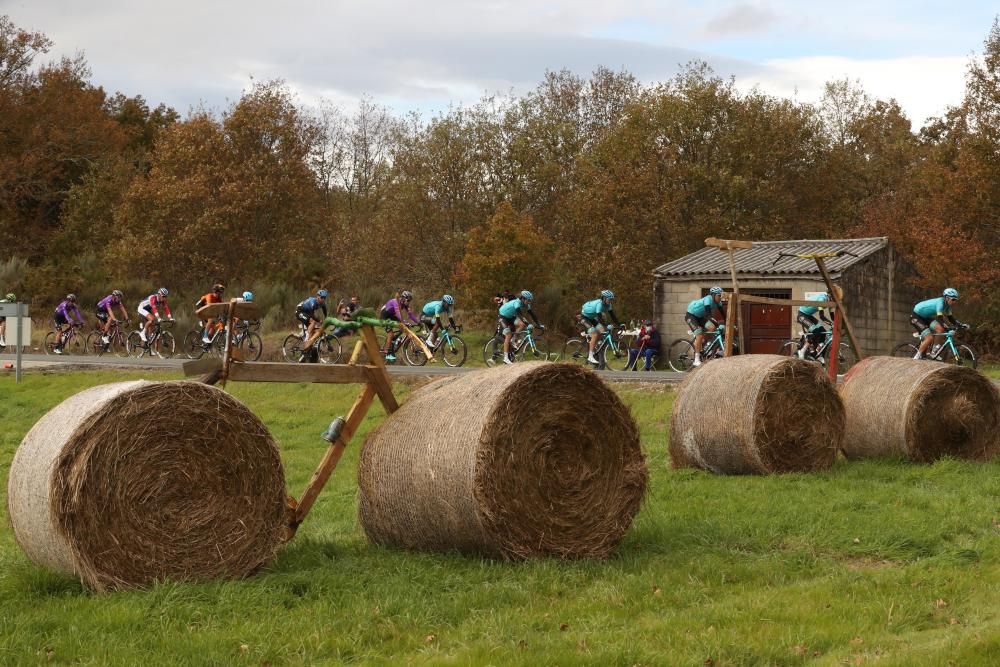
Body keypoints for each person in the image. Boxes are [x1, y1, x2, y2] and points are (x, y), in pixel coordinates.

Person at [911, 288, 965, 359]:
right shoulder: (940, 302)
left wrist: (960, 325)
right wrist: (947, 328)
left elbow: (951, 318)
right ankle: (916, 357)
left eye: (955, 300)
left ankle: (934, 352)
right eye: (953, 299)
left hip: (926, 317)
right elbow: (940, 318)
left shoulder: (948, 306)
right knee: (929, 337)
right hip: (916, 316)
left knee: (940, 329)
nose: (954, 302)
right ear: (947, 297)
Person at [498, 290, 543, 364]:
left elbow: (533, 315)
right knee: (508, 334)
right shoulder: (517, 303)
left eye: (530, 300)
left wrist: (539, 324)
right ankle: (505, 358)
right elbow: (520, 315)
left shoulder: (526, 304)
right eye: (528, 300)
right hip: (503, 316)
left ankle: (513, 340)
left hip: (511, 317)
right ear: (523, 299)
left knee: (521, 324)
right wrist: (528, 324)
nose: (529, 302)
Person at [685, 286, 726, 367]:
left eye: (721, 295)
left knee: (712, 328)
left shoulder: (719, 302)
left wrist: (729, 323)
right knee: (700, 335)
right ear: (713, 295)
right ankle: (696, 360)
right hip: (691, 315)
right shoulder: (708, 299)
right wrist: (718, 324)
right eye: (719, 295)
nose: (720, 297)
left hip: (700, 317)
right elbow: (709, 316)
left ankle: (702, 341)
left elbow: (724, 315)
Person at [796, 286, 840, 359]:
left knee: (823, 332)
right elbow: (822, 316)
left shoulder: (830, 302)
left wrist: (837, 323)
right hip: (802, 314)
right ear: (831, 295)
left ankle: (818, 352)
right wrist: (832, 324)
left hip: (808, 315)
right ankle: (802, 351)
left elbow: (833, 317)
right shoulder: (822, 299)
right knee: (816, 331)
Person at [581, 289, 620, 365]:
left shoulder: (609, 305)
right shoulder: (599, 304)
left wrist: (619, 324)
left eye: (611, 299)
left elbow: (613, 315)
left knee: (602, 330)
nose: (610, 301)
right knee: (594, 334)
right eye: (609, 299)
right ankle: (590, 356)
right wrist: (607, 325)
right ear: (604, 298)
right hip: (584, 317)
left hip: (591, 318)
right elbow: (599, 318)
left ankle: (596, 346)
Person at [380, 290, 419, 361]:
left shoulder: (405, 305)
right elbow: (398, 314)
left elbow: (410, 315)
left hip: (392, 315)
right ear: (404, 298)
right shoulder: (396, 302)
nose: (409, 302)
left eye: (410, 301)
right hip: (384, 316)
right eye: (408, 300)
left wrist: (418, 322)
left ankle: (394, 339)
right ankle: (387, 352)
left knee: (405, 327)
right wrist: (402, 322)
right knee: (390, 334)